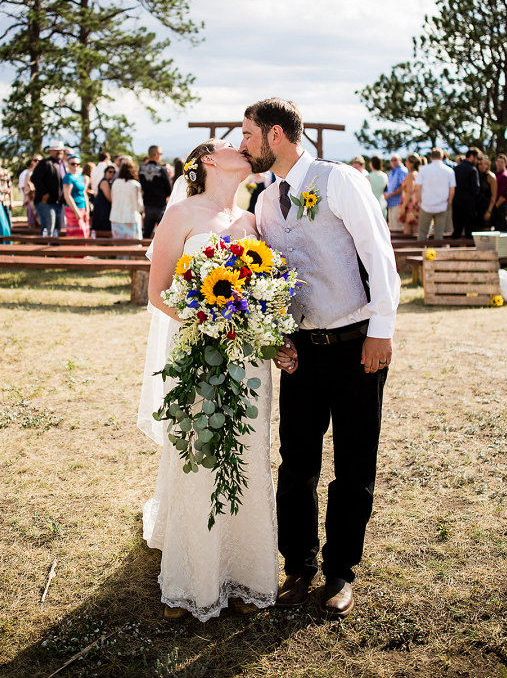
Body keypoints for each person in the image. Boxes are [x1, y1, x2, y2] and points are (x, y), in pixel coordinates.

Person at [240, 98, 400, 619]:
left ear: (277, 135)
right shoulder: (264, 203)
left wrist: (381, 330)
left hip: (357, 346)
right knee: (297, 463)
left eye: (248, 134)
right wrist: (277, 336)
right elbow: (270, 279)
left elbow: (379, 254)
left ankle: (340, 572)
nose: (244, 144)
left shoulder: (340, 181)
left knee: (354, 464)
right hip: (303, 354)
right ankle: (298, 566)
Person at [139, 138, 278, 621]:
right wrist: (207, 318)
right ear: (208, 162)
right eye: (231, 144)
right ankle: (191, 575)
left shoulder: (254, 221)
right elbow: (158, 292)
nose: (244, 147)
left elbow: (264, 290)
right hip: (198, 351)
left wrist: (257, 324)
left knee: (246, 451)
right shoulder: (181, 215)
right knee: (197, 453)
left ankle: (243, 571)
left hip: (247, 356)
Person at [415, 148, 456, 241]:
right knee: (439, 235)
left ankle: (422, 253)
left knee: (422, 234)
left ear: (431, 157)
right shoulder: (449, 171)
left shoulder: (423, 170)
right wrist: (448, 202)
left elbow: (417, 188)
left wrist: (419, 201)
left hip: (426, 205)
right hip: (442, 206)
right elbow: (452, 190)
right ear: (442, 157)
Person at [31, 141, 65, 236]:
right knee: (49, 227)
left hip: (59, 202)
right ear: (51, 151)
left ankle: (54, 248)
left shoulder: (62, 164)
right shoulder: (45, 163)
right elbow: (35, 178)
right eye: (56, 150)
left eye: (61, 150)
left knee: (57, 229)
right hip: (46, 202)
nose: (59, 152)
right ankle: (44, 248)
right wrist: (44, 192)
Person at [139, 145, 172, 238]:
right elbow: (168, 188)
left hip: (148, 205)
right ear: (156, 154)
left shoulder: (142, 169)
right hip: (160, 205)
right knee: (164, 235)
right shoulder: (162, 169)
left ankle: (144, 252)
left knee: (147, 234)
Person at [110, 159, 144, 239]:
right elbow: (138, 205)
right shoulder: (135, 185)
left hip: (116, 217)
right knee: (133, 248)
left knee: (118, 248)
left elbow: (112, 198)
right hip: (130, 218)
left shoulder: (115, 183)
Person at [452, 147, 481, 239]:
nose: (478, 161)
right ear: (472, 156)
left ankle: (453, 250)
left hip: (456, 203)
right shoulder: (472, 170)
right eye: (478, 158)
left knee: (457, 231)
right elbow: (475, 189)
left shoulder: (455, 169)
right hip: (469, 204)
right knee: (470, 232)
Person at [62, 155, 90, 238]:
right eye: (73, 163)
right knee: (77, 233)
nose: (75, 166)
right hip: (73, 209)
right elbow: (67, 196)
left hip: (82, 207)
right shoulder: (68, 178)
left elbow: (84, 193)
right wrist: (76, 211)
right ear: (68, 164)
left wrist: (87, 210)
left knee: (85, 232)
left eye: (78, 164)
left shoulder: (81, 177)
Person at [398, 154, 420, 236]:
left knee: (408, 231)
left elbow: (409, 191)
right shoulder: (418, 173)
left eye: (407, 161)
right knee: (415, 231)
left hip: (410, 205)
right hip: (416, 204)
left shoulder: (411, 175)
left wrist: (403, 207)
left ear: (411, 163)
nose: (405, 162)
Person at [384, 154, 407, 231]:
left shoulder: (402, 171)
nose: (393, 162)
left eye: (395, 160)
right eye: (392, 160)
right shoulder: (392, 171)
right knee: (392, 226)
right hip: (391, 202)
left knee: (398, 227)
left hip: (398, 202)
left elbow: (403, 187)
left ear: (400, 160)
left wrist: (392, 194)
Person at [91, 164, 115, 234]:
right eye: (110, 172)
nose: (112, 174)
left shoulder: (109, 182)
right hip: (102, 211)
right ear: (105, 172)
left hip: (105, 210)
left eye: (114, 172)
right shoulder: (104, 182)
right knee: (103, 232)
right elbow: (109, 198)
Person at [19, 155, 42, 228]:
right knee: (33, 224)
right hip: (32, 201)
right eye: (35, 160)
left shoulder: (43, 173)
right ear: (32, 162)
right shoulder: (29, 174)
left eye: (39, 160)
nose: (37, 162)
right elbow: (28, 188)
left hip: (41, 201)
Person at [475, 156, 497, 231]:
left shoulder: (491, 176)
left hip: (487, 207)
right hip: (477, 208)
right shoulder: (475, 175)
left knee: (486, 230)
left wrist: (489, 211)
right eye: (480, 164)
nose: (483, 166)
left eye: (485, 164)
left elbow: (494, 195)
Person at [493, 154, 507, 233]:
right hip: (497, 205)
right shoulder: (496, 174)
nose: (500, 163)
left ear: (505, 163)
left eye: (502, 162)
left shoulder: (504, 176)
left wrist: (495, 206)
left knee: (502, 228)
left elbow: (504, 195)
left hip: (501, 205)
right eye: (498, 162)